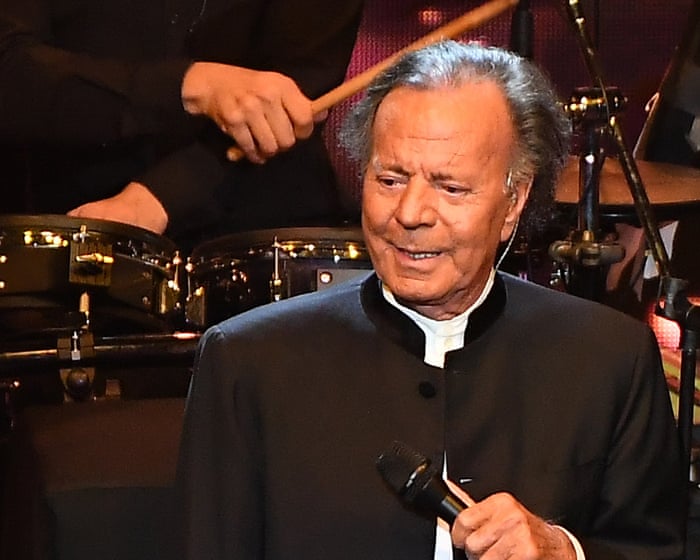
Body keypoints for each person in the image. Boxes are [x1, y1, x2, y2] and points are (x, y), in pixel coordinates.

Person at [175, 40, 687, 559]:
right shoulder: (247, 362)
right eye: (390, 179)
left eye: (451, 188)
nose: (411, 213)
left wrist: (563, 551)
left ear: (514, 200)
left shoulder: (609, 358)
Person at [0, 0, 365, 250]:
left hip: (255, 221)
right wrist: (192, 85)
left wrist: (156, 198)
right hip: (57, 218)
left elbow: (296, 99)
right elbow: (11, 69)